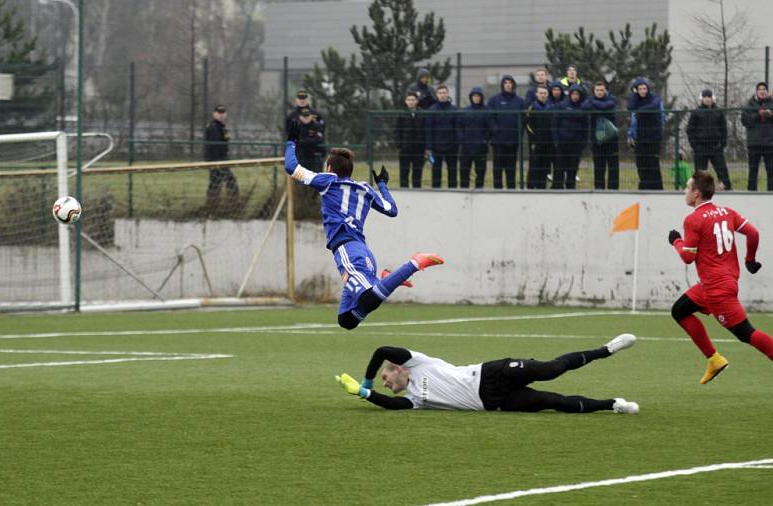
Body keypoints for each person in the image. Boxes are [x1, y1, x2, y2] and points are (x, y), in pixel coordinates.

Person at [283, 137, 444, 330]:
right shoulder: (365, 188)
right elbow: (391, 209)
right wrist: (382, 184)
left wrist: (291, 142)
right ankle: (385, 280)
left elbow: (292, 167)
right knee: (347, 320)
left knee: (368, 299)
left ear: (329, 168)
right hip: (361, 251)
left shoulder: (328, 181)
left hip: (347, 250)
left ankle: (415, 263)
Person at [335, 333, 639, 414]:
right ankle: (612, 404)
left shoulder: (415, 361)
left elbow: (381, 350)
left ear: (398, 368)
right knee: (553, 401)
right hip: (494, 402)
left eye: (386, 379)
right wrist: (365, 394)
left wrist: (367, 378)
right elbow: (389, 405)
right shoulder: (413, 400)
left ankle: (607, 349)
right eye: (384, 383)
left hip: (491, 373)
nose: (387, 385)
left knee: (552, 369)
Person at [668, 171, 773, 384]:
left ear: (697, 193)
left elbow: (688, 257)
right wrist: (749, 260)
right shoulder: (727, 212)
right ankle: (714, 359)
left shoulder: (693, 219)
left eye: (688, 188)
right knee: (679, 311)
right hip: (718, 284)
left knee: (745, 332)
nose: (685, 192)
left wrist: (676, 242)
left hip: (717, 290)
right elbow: (753, 234)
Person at [687, 89, 731, 191]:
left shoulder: (719, 112)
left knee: (722, 170)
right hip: (700, 147)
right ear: (701, 98)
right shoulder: (696, 112)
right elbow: (690, 130)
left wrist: (722, 144)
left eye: (709, 97)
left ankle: (727, 188)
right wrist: (695, 145)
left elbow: (724, 129)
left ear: (712, 98)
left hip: (716, 147)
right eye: (705, 97)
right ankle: (701, 191)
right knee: (700, 173)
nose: (707, 99)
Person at [487, 75, 525, 189]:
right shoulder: (494, 100)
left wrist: (519, 134)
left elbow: (523, 120)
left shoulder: (520, 101)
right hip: (498, 142)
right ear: (502, 85)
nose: (508, 85)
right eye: (506, 83)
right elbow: (490, 118)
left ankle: (511, 192)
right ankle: (497, 191)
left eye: (510, 83)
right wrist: (495, 130)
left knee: (511, 170)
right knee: (497, 169)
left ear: (513, 85)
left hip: (513, 142)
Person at [628, 78, 665, 190]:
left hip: (653, 137)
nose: (643, 91)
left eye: (644, 88)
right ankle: (644, 187)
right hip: (640, 138)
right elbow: (630, 107)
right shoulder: (635, 99)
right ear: (636, 90)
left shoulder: (655, 98)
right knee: (641, 164)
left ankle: (657, 189)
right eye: (640, 89)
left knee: (653, 164)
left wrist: (640, 110)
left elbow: (652, 107)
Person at [583, 81, 619, 190]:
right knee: (598, 167)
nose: (599, 92)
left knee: (613, 167)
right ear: (594, 91)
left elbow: (606, 106)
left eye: (601, 90)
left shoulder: (611, 99)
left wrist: (595, 105)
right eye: (597, 90)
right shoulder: (589, 100)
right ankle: (599, 189)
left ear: (605, 90)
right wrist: (598, 105)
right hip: (596, 140)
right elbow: (584, 107)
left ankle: (613, 190)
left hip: (611, 139)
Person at [551, 84, 587, 189]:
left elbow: (586, 126)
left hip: (576, 144)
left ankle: (571, 188)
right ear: (570, 94)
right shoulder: (562, 106)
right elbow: (555, 123)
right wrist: (556, 140)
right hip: (562, 143)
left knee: (573, 169)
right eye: (574, 93)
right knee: (559, 168)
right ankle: (558, 188)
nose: (575, 96)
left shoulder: (583, 108)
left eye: (577, 94)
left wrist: (583, 142)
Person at [204, 104, 239, 211]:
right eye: (219, 113)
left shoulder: (221, 127)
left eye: (222, 113)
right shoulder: (214, 127)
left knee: (216, 182)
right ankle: (232, 204)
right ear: (214, 114)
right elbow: (213, 146)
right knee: (229, 181)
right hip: (217, 161)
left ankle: (212, 205)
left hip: (221, 160)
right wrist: (216, 162)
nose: (221, 115)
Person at [740, 82, 773, 191]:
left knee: (771, 170)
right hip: (754, 143)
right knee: (753, 170)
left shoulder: (771, 103)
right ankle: (751, 192)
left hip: (770, 143)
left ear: (767, 92)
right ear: (756, 91)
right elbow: (745, 121)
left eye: (764, 89)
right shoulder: (750, 104)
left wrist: (770, 115)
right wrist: (758, 115)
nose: (762, 91)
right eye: (760, 89)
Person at [426, 84, 460, 188]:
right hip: (436, 147)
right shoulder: (432, 110)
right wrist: (429, 147)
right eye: (440, 93)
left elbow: (458, 128)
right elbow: (429, 130)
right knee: (436, 173)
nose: (442, 95)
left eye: (444, 93)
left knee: (452, 172)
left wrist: (456, 144)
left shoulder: (454, 110)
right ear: (437, 95)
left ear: (448, 94)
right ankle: (435, 194)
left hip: (451, 147)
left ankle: (454, 193)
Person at [458, 86, 489, 189]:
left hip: (481, 148)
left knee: (480, 173)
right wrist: (462, 139)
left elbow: (491, 128)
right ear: (471, 97)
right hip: (466, 148)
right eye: (474, 95)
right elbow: (459, 127)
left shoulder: (486, 111)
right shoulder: (465, 111)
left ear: (481, 97)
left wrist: (485, 140)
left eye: (478, 96)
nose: (476, 98)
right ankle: (463, 193)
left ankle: (479, 192)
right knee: (464, 172)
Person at [394, 92, 426, 188]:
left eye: (413, 100)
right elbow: (396, 131)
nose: (411, 102)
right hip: (405, 149)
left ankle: (417, 192)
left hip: (419, 149)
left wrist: (424, 146)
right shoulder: (401, 114)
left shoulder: (422, 113)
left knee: (417, 172)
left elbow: (425, 131)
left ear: (417, 101)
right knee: (404, 172)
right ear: (405, 101)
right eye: (409, 100)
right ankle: (404, 191)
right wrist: (399, 145)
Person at [525, 86, 553, 189]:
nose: (543, 95)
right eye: (541, 93)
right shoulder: (532, 108)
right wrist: (534, 140)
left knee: (545, 167)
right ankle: (531, 188)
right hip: (535, 143)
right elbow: (528, 125)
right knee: (534, 167)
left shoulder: (550, 108)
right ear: (536, 94)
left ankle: (542, 187)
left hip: (548, 143)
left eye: (545, 93)